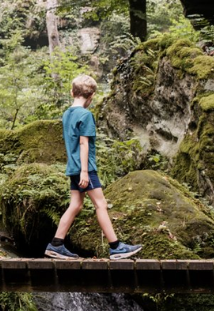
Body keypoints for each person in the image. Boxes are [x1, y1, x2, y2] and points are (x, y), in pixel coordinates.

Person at [45, 74, 143, 261]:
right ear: (91, 97)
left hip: (73, 166)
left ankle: (56, 245)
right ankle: (116, 247)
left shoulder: (67, 114)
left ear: (72, 92)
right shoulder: (86, 115)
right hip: (85, 168)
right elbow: (83, 144)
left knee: (76, 204)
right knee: (101, 204)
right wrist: (84, 171)